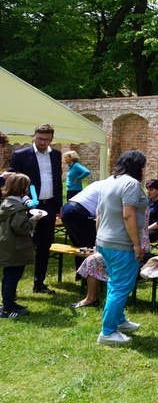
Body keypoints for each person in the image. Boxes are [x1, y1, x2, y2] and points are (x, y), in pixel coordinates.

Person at [95, 149, 149, 346]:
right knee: (120, 286)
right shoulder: (131, 184)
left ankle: (119, 321)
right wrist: (137, 244)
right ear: (138, 167)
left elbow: (99, 213)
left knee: (114, 283)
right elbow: (128, 215)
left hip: (105, 240)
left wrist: (97, 238)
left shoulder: (109, 181)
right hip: (121, 244)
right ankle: (108, 332)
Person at [9, 123, 63, 294]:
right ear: (33, 136)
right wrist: (24, 201)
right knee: (22, 246)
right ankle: (12, 288)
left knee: (44, 246)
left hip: (48, 205)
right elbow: (14, 183)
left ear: (52, 139)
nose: (43, 142)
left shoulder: (56, 155)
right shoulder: (21, 155)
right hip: (26, 207)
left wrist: (58, 206)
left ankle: (39, 283)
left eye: (47, 139)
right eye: (40, 138)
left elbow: (57, 181)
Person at [0, 173, 43, 318]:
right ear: (23, 188)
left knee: (8, 276)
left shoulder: (7, 203)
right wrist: (35, 219)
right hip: (15, 247)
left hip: (7, 245)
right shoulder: (17, 208)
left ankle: (9, 302)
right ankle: (7, 309)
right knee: (12, 277)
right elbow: (22, 228)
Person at [61, 180, 104, 273]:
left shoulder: (99, 183)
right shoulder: (108, 188)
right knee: (90, 246)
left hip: (67, 209)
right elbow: (99, 213)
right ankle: (89, 277)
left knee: (80, 246)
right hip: (78, 212)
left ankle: (80, 274)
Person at [145, 178, 158, 243]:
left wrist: (146, 229)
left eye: (151, 190)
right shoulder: (147, 200)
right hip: (147, 227)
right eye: (147, 189)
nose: (148, 192)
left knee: (144, 235)